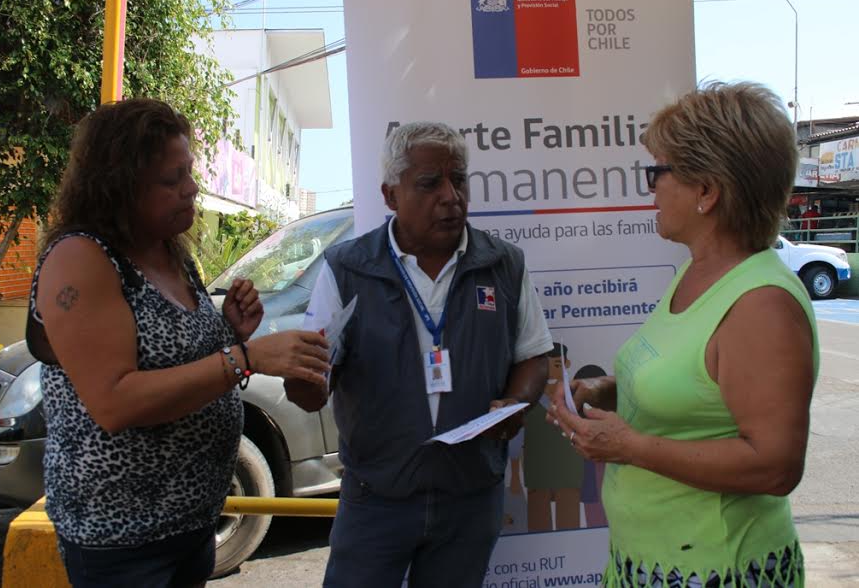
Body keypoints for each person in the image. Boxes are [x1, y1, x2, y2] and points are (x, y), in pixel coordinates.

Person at [29, 98, 330, 588]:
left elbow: (171, 359)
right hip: (123, 542)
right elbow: (114, 400)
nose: (191, 188)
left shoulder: (169, 252)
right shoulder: (82, 259)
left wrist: (229, 330)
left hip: (189, 526)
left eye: (188, 171)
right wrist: (245, 357)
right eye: (172, 180)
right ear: (118, 187)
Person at [548, 82, 818, 587]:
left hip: (716, 569)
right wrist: (614, 392)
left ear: (707, 191)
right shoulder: (697, 273)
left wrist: (628, 446)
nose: (650, 188)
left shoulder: (761, 305)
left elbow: (775, 465)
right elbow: (696, 391)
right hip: (652, 561)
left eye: (658, 173)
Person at [285, 121, 553, 587]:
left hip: (469, 499)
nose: (451, 196)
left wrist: (517, 401)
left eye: (460, 179)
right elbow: (312, 384)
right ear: (390, 196)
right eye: (430, 183)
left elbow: (533, 357)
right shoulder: (347, 270)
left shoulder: (503, 264)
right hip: (376, 498)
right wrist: (302, 379)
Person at [522, 343, 584, 531]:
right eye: (546, 366)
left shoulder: (576, 396)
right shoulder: (528, 396)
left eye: (556, 365)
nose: (550, 371)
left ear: (567, 363)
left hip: (568, 470)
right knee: (538, 526)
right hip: (537, 472)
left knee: (569, 524)